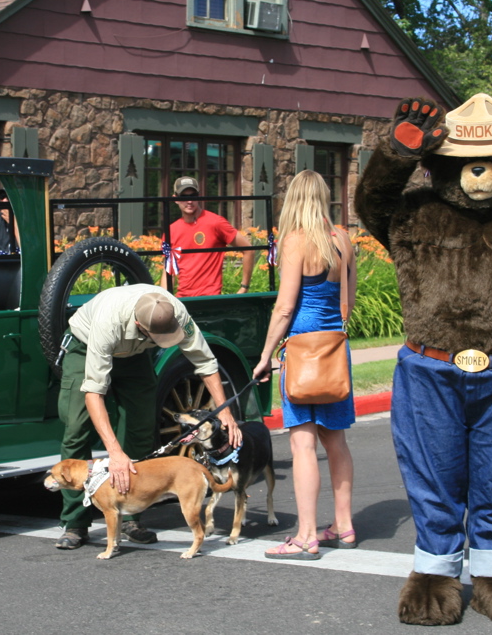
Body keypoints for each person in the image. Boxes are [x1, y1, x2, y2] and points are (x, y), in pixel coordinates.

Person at [55, 283, 243, 550]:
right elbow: (94, 394)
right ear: (140, 325)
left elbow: (206, 362)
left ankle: (132, 516)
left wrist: (225, 411)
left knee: (141, 427)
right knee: (76, 429)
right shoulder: (109, 322)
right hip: (87, 346)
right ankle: (75, 522)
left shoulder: (174, 312)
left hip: (135, 354)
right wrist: (115, 453)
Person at [251, 169, 358, 560]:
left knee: (301, 442)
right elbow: (350, 298)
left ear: (295, 200)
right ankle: (343, 525)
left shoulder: (296, 241)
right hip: (334, 348)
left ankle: (306, 534)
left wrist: (265, 356)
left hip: (301, 349)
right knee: (336, 440)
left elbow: (284, 308)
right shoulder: (342, 239)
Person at [160, 176, 255, 296]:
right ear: (175, 199)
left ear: (199, 197)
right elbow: (169, 269)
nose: (189, 201)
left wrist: (244, 288)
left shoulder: (215, 222)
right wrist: (164, 298)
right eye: (184, 197)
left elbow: (249, 250)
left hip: (210, 297)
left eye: (193, 196)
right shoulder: (171, 230)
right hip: (183, 298)